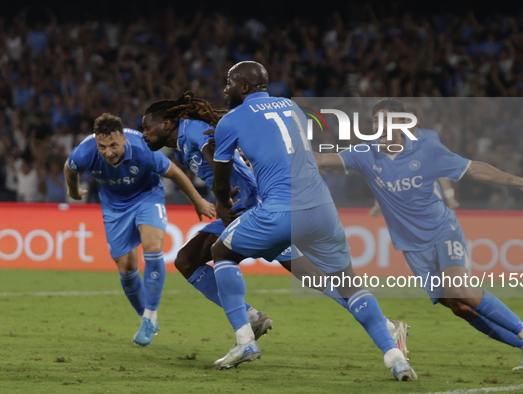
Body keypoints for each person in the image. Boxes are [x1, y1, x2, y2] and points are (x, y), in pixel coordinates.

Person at [140, 92, 409, 352]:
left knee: (189, 260)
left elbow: (214, 154)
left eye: (146, 127)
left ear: (166, 124)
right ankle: (387, 326)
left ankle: (249, 322)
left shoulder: (193, 130)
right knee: (311, 275)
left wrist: (223, 197)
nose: (143, 133)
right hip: (249, 204)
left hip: (249, 205)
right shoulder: (186, 137)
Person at [210, 61, 416, 380]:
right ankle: (395, 356)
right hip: (322, 208)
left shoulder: (229, 120)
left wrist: (222, 205)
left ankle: (245, 341)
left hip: (279, 213)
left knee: (221, 253)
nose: (224, 90)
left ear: (244, 87)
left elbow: (221, 182)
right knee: (348, 284)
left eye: (229, 83)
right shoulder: (291, 106)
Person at [314, 98, 523, 371]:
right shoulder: (365, 153)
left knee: (459, 287)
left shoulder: (427, 149)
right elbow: (321, 159)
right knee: (458, 306)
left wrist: (520, 181)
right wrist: (277, 154)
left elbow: (474, 169)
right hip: (413, 247)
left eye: (386, 122)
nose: (379, 128)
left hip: (442, 230)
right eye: (375, 122)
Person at [64, 113, 215, 346]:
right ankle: (145, 317)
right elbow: (69, 169)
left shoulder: (142, 149)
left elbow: (174, 173)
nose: (109, 152)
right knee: (126, 266)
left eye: (114, 145)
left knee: (153, 247)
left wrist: (198, 201)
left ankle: (149, 317)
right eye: (103, 147)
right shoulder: (85, 152)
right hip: (114, 207)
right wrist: (74, 193)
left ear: (123, 139)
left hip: (147, 197)